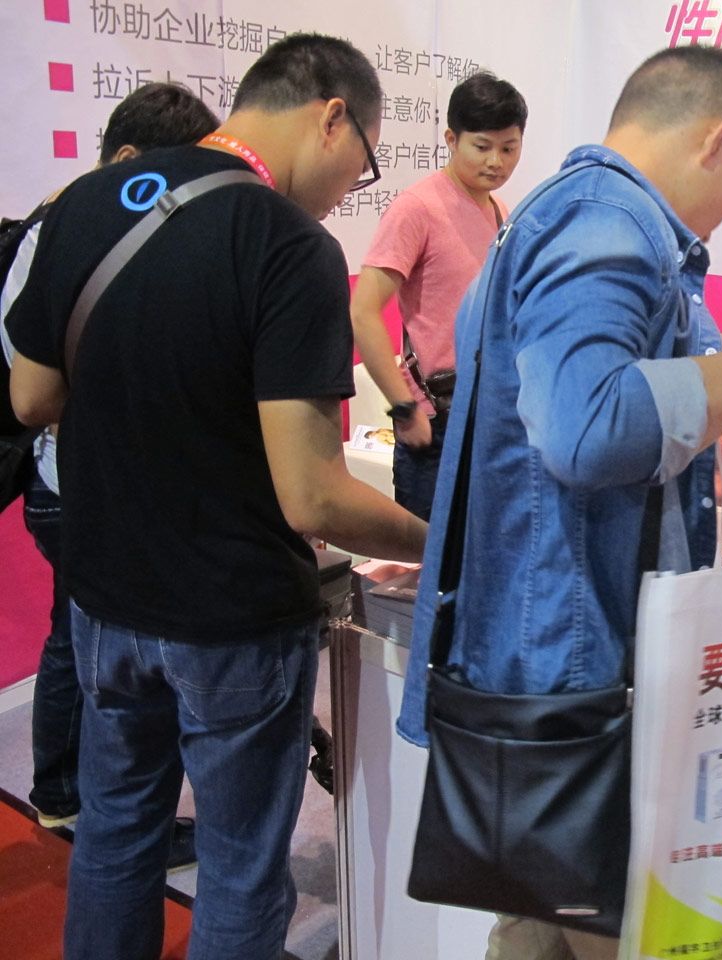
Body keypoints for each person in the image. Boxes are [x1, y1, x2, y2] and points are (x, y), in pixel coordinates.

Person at [7, 34, 427, 960]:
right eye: (360, 166)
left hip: (104, 591)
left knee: (115, 832)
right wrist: (434, 538)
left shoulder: (84, 203)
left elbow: (31, 397)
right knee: (240, 869)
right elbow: (313, 499)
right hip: (230, 614)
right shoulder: (289, 245)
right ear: (331, 117)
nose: (346, 191)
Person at [396, 45, 722, 960]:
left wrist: (704, 422)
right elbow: (587, 429)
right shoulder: (607, 221)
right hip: (575, 664)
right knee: (593, 922)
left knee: (541, 915)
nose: (721, 220)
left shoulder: (563, 216)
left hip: (556, 650)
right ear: (719, 139)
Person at [0, 82, 219, 869]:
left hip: (92, 480)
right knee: (98, 654)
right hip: (76, 483)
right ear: (128, 159)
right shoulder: (64, 230)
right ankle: (90, 806)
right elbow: (31, 382)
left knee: (79, 638)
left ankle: (74, 798)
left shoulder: (88, 225)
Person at [350, 70, 527, 520]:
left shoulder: (500, 210)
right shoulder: (418, 208)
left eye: (509, 148)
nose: (496, 162)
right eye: (482, 147)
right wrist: (404, 406)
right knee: (426, 553)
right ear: (451, 138)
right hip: (436, 422)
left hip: (489, 417)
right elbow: (364, 311)